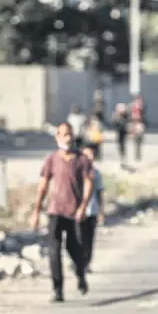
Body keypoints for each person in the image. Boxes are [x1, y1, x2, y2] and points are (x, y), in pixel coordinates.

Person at [30, 123, 94, 302]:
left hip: (74, 212)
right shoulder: (52, 160)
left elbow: (89, 184)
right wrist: (36, 211)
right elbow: (43, 186)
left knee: (74, 248)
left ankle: (80, 274)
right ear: (57, 137)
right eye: (64, 135)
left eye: (70, 134)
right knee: (54, 250)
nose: (67, 138)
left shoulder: (81, 160)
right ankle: (58, 290)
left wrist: (83, 207)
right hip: (55, 211)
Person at [79, 144, 104, 272]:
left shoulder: (96, 173)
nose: (89, 157)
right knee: (77, 238)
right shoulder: (76, 171)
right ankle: (77, 261)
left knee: (89, 239)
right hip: (77, 211)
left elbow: (99, 192)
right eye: (86, 154)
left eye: (91, 154)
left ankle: (86, 263)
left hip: (92, 210)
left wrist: (101, 211)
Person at [112, 103, 129, 168]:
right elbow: (114, 123)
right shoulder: (116, 116)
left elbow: (127, 121)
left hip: (123, 133)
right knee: (120, 147)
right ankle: (122, 159)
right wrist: (117, 116)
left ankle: (123, 159)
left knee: (123, 146)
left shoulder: (125, 116)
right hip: (119, 133)